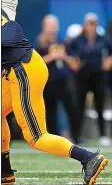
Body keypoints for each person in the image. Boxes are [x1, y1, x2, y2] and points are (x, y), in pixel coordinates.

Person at [1, 0, 108, 185]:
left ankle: (89, 158)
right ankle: (4, 170)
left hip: (23, 69)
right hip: (16, 68)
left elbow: (8, 35)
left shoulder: (4, 10)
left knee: (36, 137)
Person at [70, 13, 112, 146]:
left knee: (100, 104)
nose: (91, 26)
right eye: (89, 23)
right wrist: (73, 62)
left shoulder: (102, 38)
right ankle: (77, 135)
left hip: (98, 74)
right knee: (79, 105)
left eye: (94, 23)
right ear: (84, 25)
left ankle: (102, 134)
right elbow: (69, 52)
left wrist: (109, 61)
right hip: (82, 75)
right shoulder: (78, 39)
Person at [35, 15, 80, 144]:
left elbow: (74, 63)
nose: (52, 28)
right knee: (50, 111)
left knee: (71, 108)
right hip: (48, 81)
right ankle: (54, 139)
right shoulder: (40, 43)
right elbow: (36, 62)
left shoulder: (62, 42)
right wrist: (52, 56)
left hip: (63, 80)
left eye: (54, 25)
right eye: (50, 25)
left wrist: (64, 56)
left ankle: (76, 136)